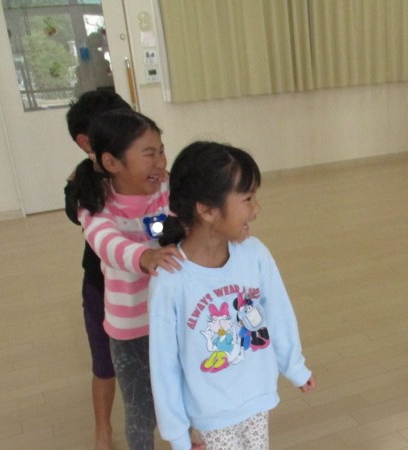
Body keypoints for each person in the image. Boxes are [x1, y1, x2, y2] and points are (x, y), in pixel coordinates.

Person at [148, 141, 316, 450]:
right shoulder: (171, 280)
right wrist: (178, 435)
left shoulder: (255, 255)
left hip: (256, 397)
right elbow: (164, 365)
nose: (256, 209)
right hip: (212, 414)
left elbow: (278, 313)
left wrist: (294, 365)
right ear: (207, 210)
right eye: (247, 198)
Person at [76, 109, 184, 450]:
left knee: (184, 391)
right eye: (149, 154)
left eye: (162, 151)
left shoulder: (167, 189)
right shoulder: (96, 204)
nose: (160, 162)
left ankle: (191, 439)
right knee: (140, 411)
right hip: (131, 330)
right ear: (112, 162)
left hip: (173, 319)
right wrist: (144, 256)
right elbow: (107, 243)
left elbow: (189, 222)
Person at [64, 90, 132, 450]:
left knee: (167, 356)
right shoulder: (83, 180)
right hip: (103, 286)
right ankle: (103, 430)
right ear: (86, 142)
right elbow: (80, 216)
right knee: (104, 362)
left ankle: (186, 424)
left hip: (151, 282)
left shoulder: (144, 167)